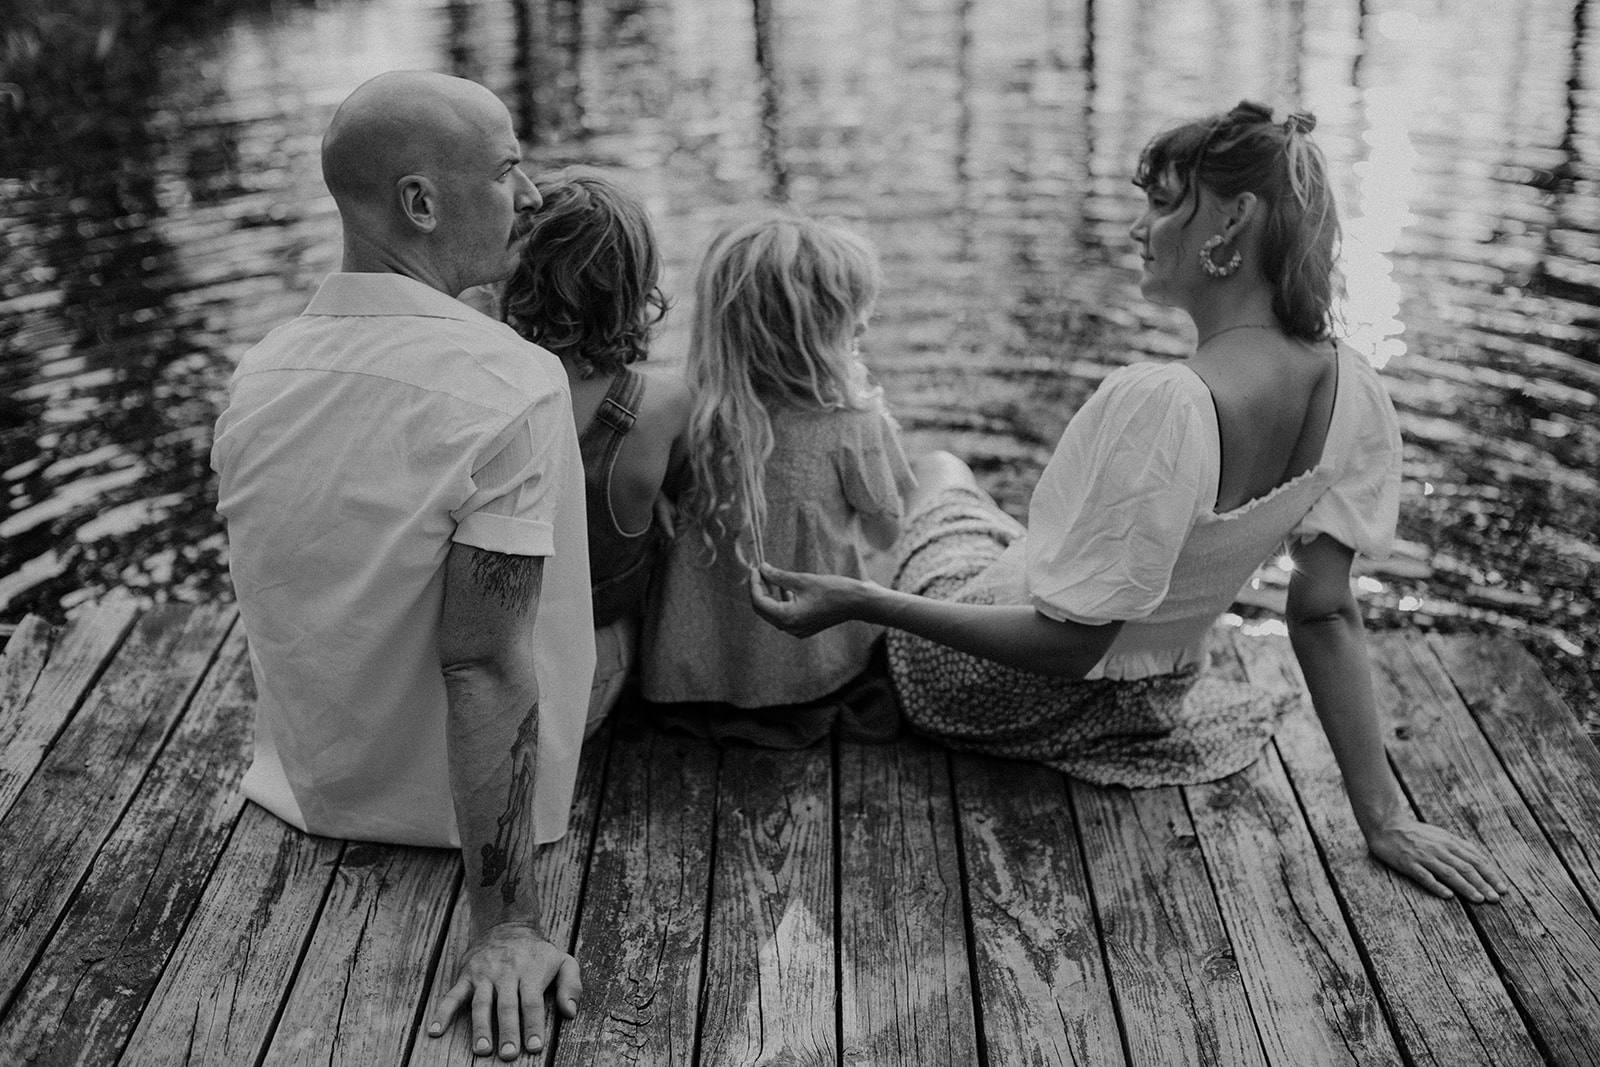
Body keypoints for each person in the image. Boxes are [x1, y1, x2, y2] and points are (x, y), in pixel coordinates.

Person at [751, 101, 1510, 903]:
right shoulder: (1355, 392)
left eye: (1160, 202)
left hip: (986, 690)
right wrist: (1382, 817)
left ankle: (858, 579)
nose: (1138, 229)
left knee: (939, 469)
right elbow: (1322, 612)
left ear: (1231, 220)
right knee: (984, 513)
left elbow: (1069, 645)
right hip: (1149, 701)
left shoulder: (1167, 405)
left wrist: (867, 602)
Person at [210, 71, 592, 1061]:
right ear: (421, 203)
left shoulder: (258, 373)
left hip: (309, 789)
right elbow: (483, 663)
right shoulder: (510, 380)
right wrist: (506, 923)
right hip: (458, 822)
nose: (536, 194)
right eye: (509, 171)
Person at [641, 215, 917, 746]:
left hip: (687, 675)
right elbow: (887, 535)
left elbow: (652, 485)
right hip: (811, 672)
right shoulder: (851, 424)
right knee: (935, 481)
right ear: (811, 334)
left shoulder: (691, 411)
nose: (863, 326)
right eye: (849, 314)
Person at [501, 170, 691, 731]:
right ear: (637, 287)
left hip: (484, 679)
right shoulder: (663, 405)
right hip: (588, 682)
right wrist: (644, 489)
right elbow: (685, 489)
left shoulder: (487, 389)